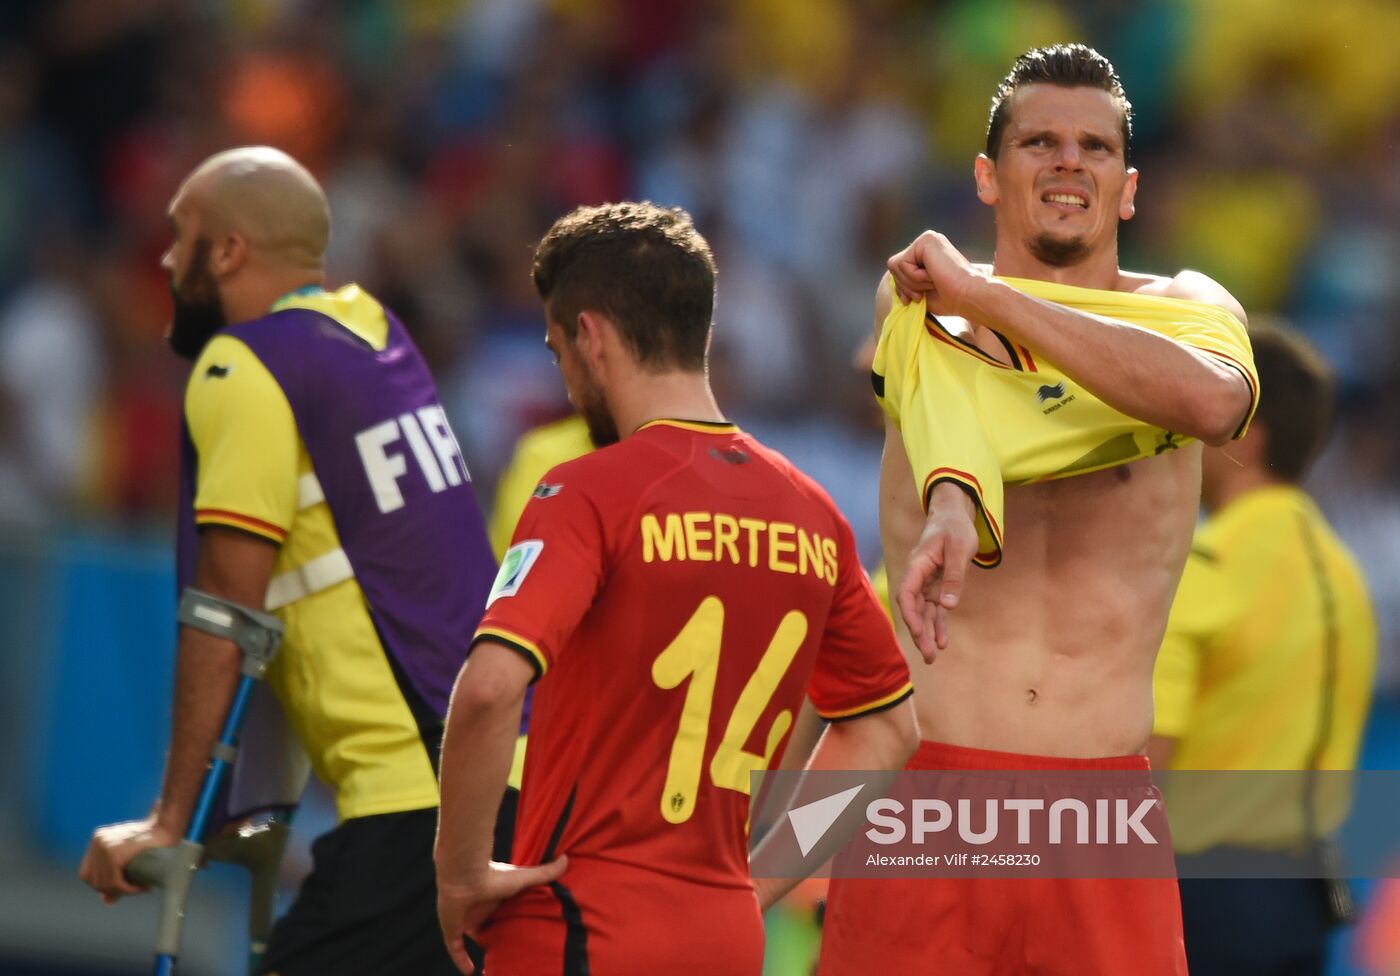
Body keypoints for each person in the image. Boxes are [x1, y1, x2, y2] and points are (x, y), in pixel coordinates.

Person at [819, 45, 1259, 975]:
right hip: (924, 794)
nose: (1068, 163)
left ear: (1128, 187)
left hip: (1100, 812)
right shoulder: (919, 309)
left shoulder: (1195, 307)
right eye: (1039, 143)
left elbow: (1217, 404)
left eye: (1095, 148)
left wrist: (988, 293)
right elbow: (955, 422)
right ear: (987, 174)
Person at [433, 201, 919, 975]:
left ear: (591, 337)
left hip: (580, 922)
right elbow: (889, 730)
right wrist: (759, 879)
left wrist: (460, 873)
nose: (565, 380)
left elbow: (491, 687)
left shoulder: (587, 491)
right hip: (724, 938)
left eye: (559, 352)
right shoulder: (815, 517)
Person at [77, 147, 503, 975]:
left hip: (420, 811)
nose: (166, 259)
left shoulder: (244, 363)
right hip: (514, 792)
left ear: (229, 251)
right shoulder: (373, 334)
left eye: (181, 234)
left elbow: (227, 612)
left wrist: (171, 820)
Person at [1149, 322, 1377, 975]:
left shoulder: (1207, 568)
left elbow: (1141, 774)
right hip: (1306, 902)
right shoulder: (1341, 575)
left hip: (1204, 904)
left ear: (1247, 432)